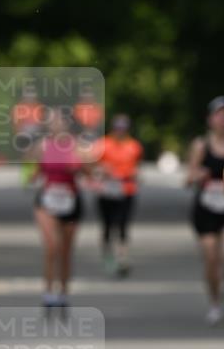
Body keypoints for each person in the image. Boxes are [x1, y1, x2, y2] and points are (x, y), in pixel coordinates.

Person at [187, 96, 224, 324]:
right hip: (206, 208)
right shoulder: (201, 145)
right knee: (211, 259)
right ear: (210, 119)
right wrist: (198, 175)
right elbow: (188, 178)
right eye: (218, 115)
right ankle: (214, 303)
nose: (223, 119)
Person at [32, 108, 86, 309]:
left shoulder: (78, 146)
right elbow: (34, 171)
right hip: (47, 200)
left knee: (65, 250)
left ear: (67, 124)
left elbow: (88, 172)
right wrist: (31, 175)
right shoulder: (42, 146)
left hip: (71, 200)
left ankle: (63, 293)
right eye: (52, 122)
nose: (55, 125)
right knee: (51, 247)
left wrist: (79, 165)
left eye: (59, 121)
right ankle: (47, 292)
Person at [92, 114, 143, 276]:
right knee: (107, 225)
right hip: (106, 189)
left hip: (126, 189)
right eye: (118, 128)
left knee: (122, 224)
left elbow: (137, 167)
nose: (120, 131)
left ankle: (122, 259)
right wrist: (102, 170)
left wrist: (136, 175)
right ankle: (107, 255)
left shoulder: (134, 146)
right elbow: (93, 167)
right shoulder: (103, 144)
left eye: (123, 128)